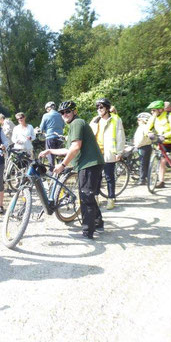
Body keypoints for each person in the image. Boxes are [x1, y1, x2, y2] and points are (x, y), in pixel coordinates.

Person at [39, 101, 105, 239]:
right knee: (88, 195)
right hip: (88, 164)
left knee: (85, 197)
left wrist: (62, 165)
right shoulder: (74, 126)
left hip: (89, 164)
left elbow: (76, 147)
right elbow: (69, 149)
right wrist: (50, 150)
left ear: (74, 111)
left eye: (67, 111)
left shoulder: (77, 123)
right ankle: (98, 223)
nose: (64, 115)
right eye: (62, 113)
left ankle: (88, 232)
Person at [89, 98, 125, 210]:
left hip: (109, 152)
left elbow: (120, 137)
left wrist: (119, 152)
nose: (99, 110)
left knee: (109, 177)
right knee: (96, 177)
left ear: (107, 108)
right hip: (96, 153)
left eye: (101, 107)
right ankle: (95, 197)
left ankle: (111, 198)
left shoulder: (116, 120)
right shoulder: (95, 120)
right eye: (97, 107)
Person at [39, 101, 65, 166]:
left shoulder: (45, 115)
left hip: (50, 137)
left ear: (48, 108)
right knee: (60, 155)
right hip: (60, 137)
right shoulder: (60, 115)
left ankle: (51, 171)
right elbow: (63, 125)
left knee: (50, 155)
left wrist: (43, 131)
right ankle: (61, 171)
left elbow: (41, 128)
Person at [134, 112, 153, 185]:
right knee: (145, 163)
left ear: (143, 120)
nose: (137, 121)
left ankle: (142, 179)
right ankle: (146, 177)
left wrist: (137, 145)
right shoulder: (143, 127)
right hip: (145, 146)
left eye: (139, 120)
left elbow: (141, 138)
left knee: (143, 163)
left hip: (143, 146)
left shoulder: (144, 127)